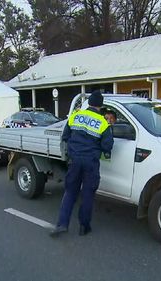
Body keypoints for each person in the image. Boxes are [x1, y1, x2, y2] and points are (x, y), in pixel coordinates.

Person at [50, 91, 114, 237]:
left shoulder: (75, 116)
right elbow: (107, 147)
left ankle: (62, 224)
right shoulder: (104, 124)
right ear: (100, 106)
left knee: (70, 192)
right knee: (87, 194)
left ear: (89, 103)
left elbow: (65, 136)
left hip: (74, 161)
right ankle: (84, 227)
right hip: (90, 163)